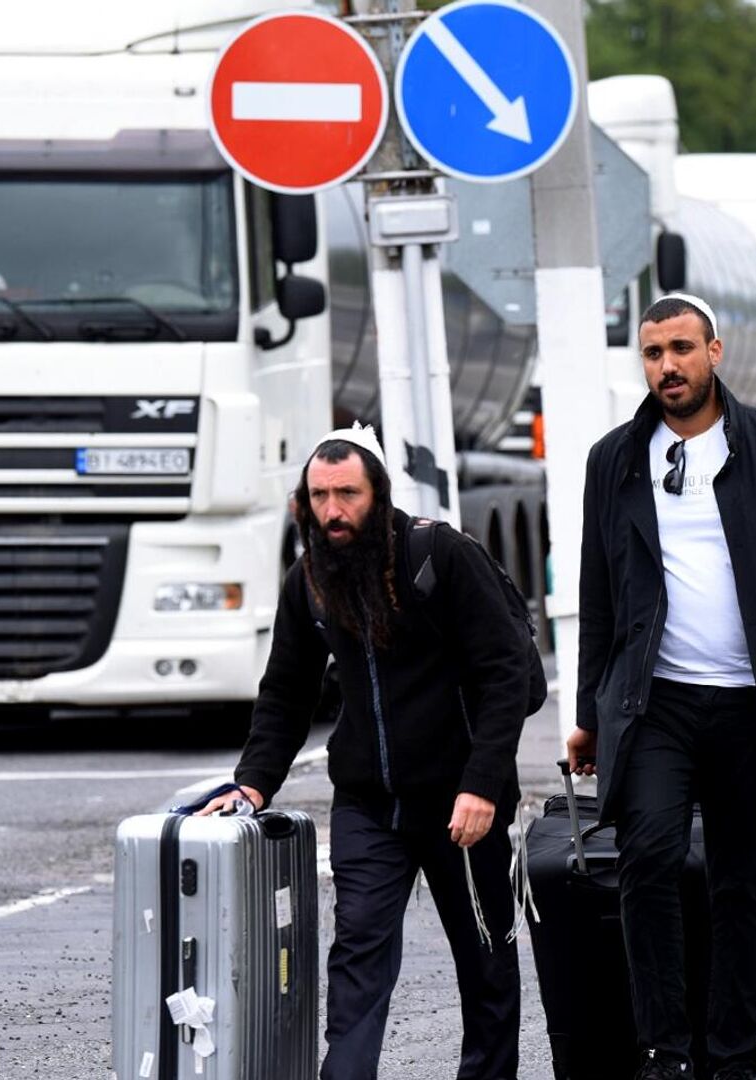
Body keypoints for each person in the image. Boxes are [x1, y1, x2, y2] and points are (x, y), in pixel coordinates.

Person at [566, 294, 756, 1080]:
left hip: (753, 705)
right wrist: (586, 717)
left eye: (679, 348)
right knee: (649, 860)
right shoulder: (614, 461)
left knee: (742, 881)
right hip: (655, 701)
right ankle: (664, 1052)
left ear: (715, 351)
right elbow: (597, 596)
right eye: (651, 353)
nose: (665, 366)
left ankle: (734, 1057)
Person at [198, 424, 534, 1080]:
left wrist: (483, 785)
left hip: (462, 799)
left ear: (377, 494)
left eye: (346, 493)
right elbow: (286, 694)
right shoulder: (313, 580)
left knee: (486, 962)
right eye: (319, 496)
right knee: (356, 955)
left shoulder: (439, 556)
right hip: (369, 805)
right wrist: (253, 784)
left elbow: (506, 674)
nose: (332, 510)